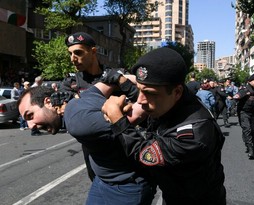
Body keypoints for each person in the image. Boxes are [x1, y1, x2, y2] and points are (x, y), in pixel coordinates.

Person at [102, 47, 226, 205]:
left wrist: (118, 120)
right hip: (173, 194)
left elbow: (145, 155)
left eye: (150, 94)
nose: (140, 100)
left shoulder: (195, 132)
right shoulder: (173, 102)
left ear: (177, 92)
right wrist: (122, 81)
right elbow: (151, 95)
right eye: (140, 90)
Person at [17, 80, 156, 205]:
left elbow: (138, 112)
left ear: (48, 102)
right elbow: (113, 78)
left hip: (125, 189)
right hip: (102, 182)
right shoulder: (83, 96)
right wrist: (127, 81)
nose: (30, 126)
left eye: (31, 116)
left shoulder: (77, 122)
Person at [60, 31, 138, 182]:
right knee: (97, 183)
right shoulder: (71, 82)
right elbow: (62, 109)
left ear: (93, 51)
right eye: (70, 54)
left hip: (122, 144)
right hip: (92, 148)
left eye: (78, 52)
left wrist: (124, 84)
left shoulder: (115, 74)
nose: (72, 59)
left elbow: (140, 99)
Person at [233, 73, 254, 159]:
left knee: (253, 130)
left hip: (253, 113)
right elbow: (238, 95)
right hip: (243, 112)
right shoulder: (245, 89)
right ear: (250, 81)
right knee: (247, 129)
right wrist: (236, 96)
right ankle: (250, 149)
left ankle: (248, 142)